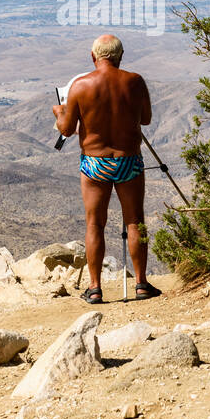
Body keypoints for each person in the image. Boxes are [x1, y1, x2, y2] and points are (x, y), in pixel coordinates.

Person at [52, 33, 161, 304]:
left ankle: (95, 287)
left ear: (93, 56)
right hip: (128, 160)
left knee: (94, 224)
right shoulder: (135, 82)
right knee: (135, 221)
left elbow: (66, 129)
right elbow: (145, 119)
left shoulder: (80, 85)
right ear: (121, 55)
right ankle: (142, 284)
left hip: (94, 162)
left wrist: (59, 113)